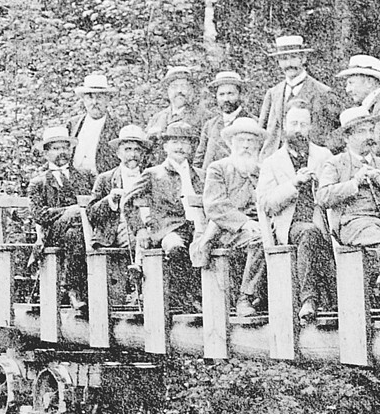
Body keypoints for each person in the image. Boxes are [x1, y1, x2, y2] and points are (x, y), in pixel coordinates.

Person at [316, 106, 380, 300]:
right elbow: (323, 196)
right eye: (361, 131)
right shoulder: (335, 164)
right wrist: (354, 183)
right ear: (346, 138)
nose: (369, 136)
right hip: (353, 222)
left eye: (370, 130)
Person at [257, 105, 337, 323]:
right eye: (293, 124)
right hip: (290, 226)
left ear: (310, 126)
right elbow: (266, 204)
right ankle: (309, 299)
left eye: (303, 124)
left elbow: (333, 189)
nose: (298, 129)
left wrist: (317, 182)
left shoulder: (324, 156)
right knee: (309, 233)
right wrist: (293, 184)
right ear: (284, 127)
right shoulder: (272, 162)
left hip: (325, 223)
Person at [200, 116, 270, 316]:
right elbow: (215, 206)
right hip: (226, 230)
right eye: (241, 140)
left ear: (258, 145)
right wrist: (244, 223)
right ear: (231, 143)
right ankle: (245, 298)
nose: (246, 146)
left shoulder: (262, 170)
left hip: (261, 225)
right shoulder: (218, 168)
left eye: (251, 141)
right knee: (260, 240)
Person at [27, 124, 93, 309]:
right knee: (75, 220)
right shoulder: (38, 182)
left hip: (80, 231)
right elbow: (40, 215)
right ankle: (72, 290)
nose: (61, 152)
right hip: (52, 234)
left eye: (65, 147)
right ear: (46, 153)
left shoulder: (85, 176)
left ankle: (73, 289)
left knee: (75, 233)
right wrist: (70, 211)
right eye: (56, 148)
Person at [136, 120, 200, 308]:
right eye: (174, 142)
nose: (180, 147)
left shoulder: (201, 174)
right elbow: (129, 202)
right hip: (169, 230)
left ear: (192, 146)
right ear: (165, 146)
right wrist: (140, 229)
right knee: (175, 247)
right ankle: (186, 300)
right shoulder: (153, 174)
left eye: (185, 142)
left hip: (199, 228)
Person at [258, 32, 343, 156]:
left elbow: (337, 134)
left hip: (308, 162)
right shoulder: (273, 93)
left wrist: (322, 156)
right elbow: (261, 132)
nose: (288, 64)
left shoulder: (323, 93)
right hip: (275, 162)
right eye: (283, 59)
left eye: (293, 57)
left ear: (303, 58)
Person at [86, 124, 155, 249]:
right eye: (127, 149)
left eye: (137, 150)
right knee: (141, 240)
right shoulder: (105, 178)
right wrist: (109, 201)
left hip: (150, 225)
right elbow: (91, 214)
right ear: (118, 153)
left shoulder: (152, 175)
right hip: (117, 228)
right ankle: (138, 267)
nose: (133, 154)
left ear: (143, 153)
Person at [337, 54, 380, 155]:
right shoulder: (374, 106)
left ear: (369, 82)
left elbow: (378, 149)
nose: (347, 90)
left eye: (351, 83)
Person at [65, 71, 124, 179]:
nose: (94, 102)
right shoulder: (73, 124)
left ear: (108, 100)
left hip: (104, 183)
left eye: (99, 97)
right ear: (83, 100)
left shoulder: (118, 127)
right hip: (74, 183)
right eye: (90, 97)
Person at [196, 70, 247, 172]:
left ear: (240, 95)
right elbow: (199, 160)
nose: (226, 99)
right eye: (221, 94)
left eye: (230, 94)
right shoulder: (210, 125)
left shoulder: (251, 122)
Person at [145, 65, 207, 147]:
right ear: (167, 90)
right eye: (174, 87)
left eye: (184, 86)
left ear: (192, 90)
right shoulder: (157, 119)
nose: (179, 91)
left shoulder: (203, 116)